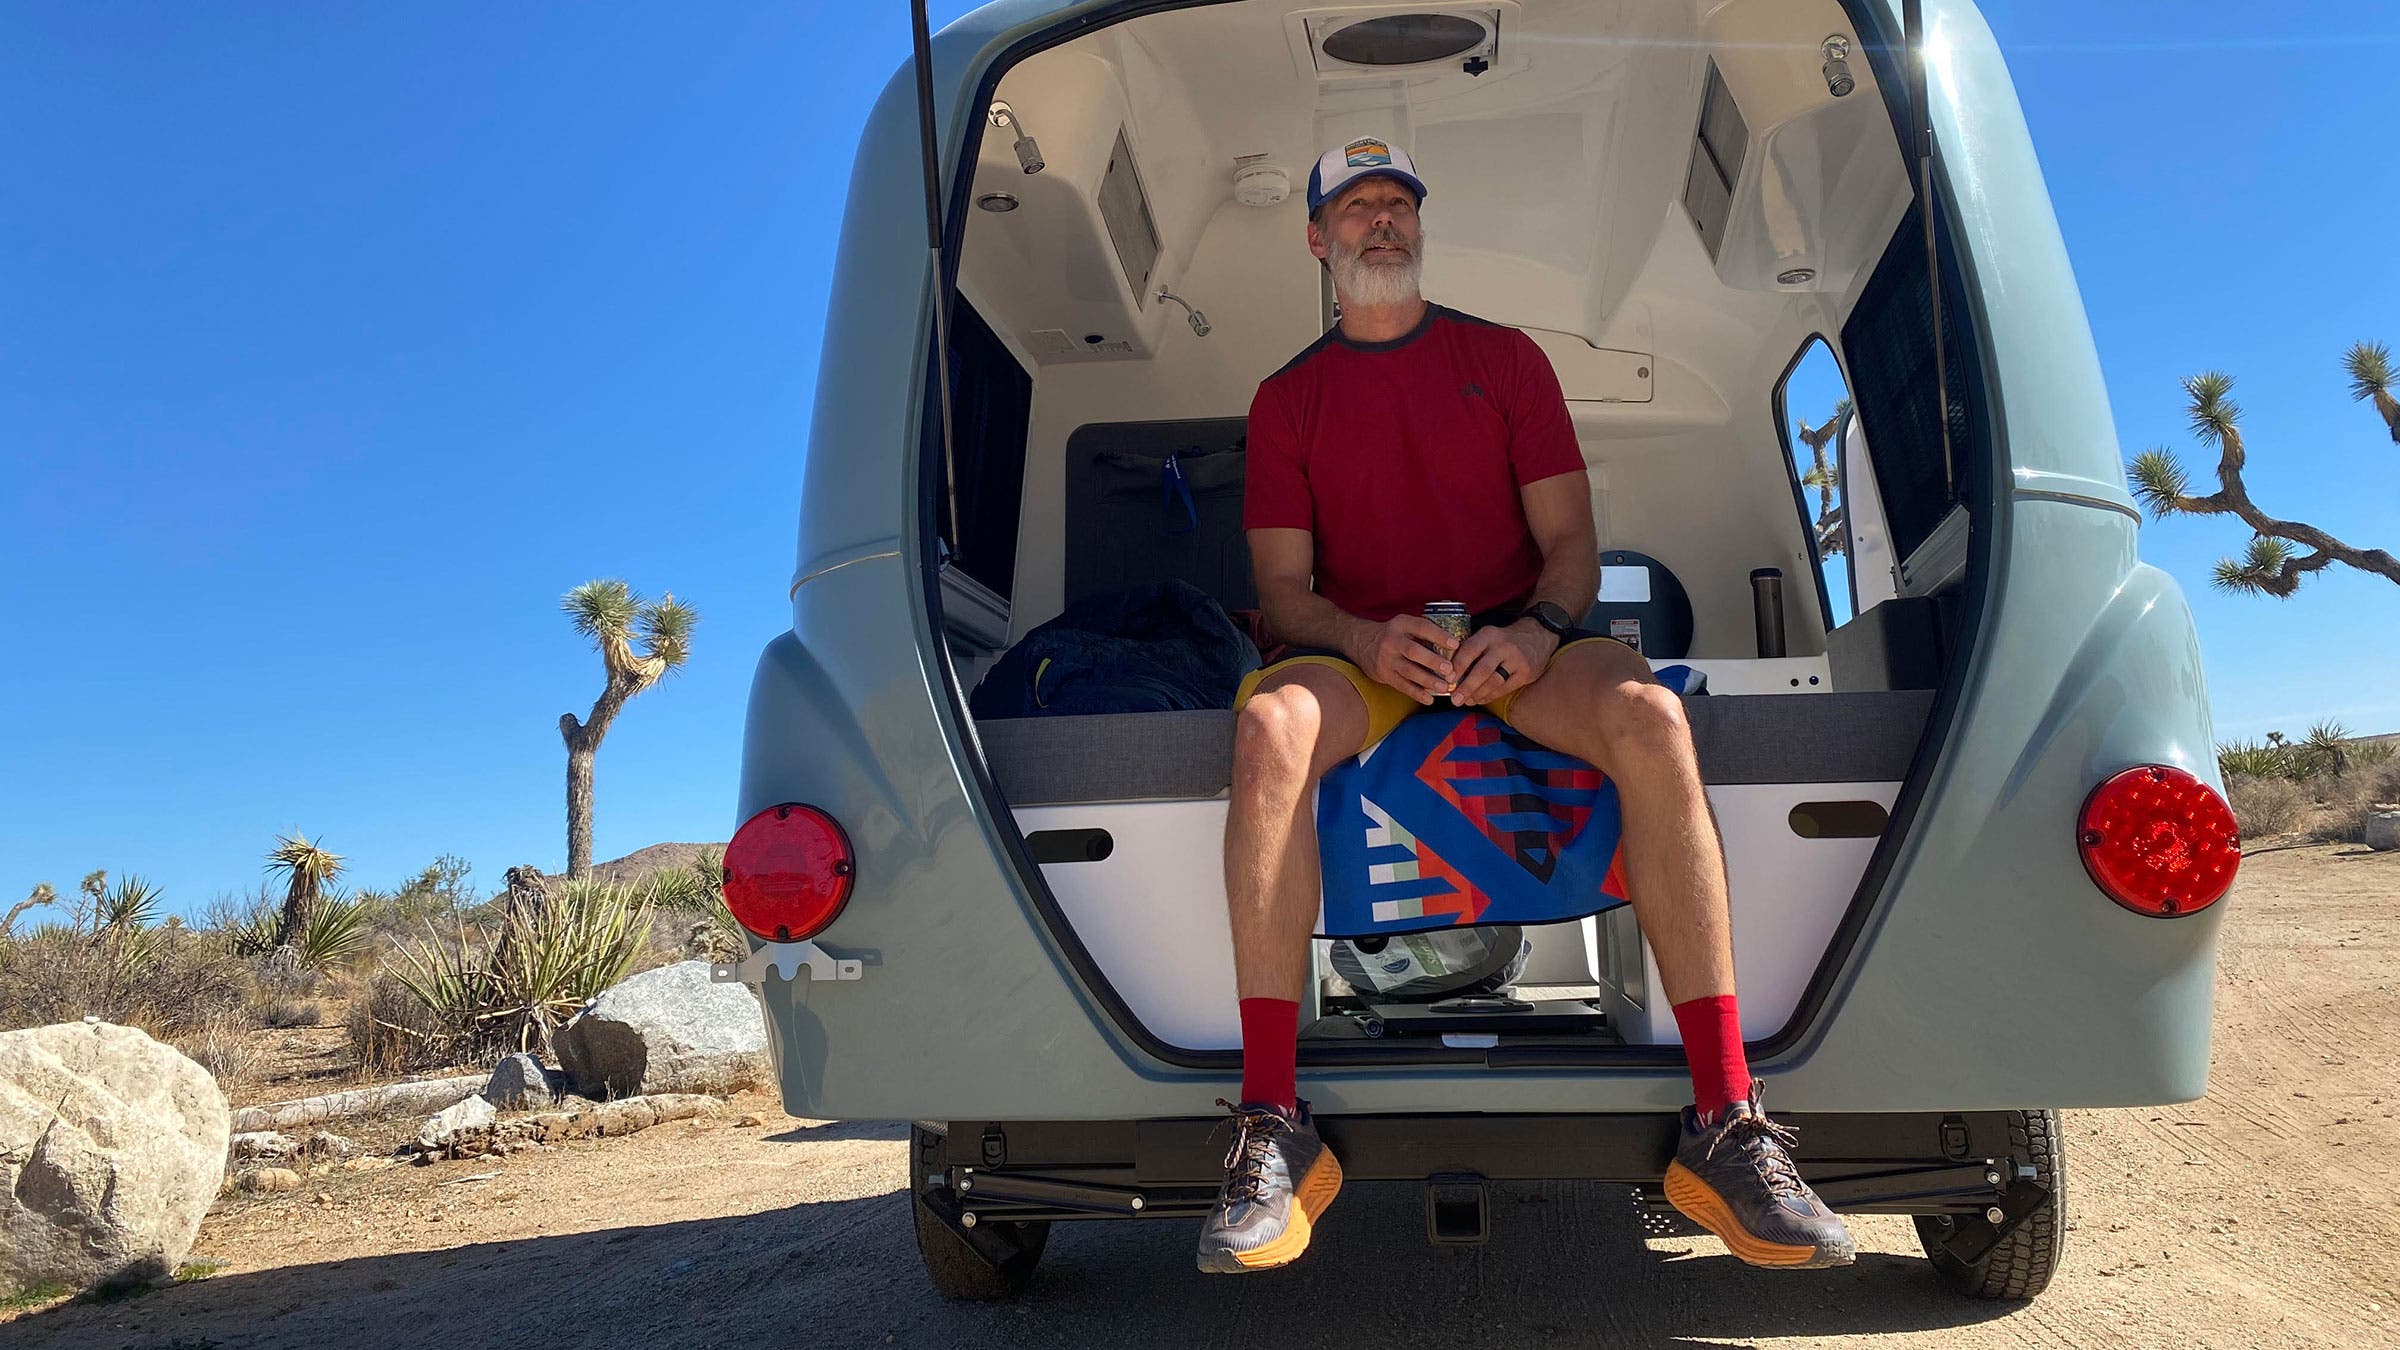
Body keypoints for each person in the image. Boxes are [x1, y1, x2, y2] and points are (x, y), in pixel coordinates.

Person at [1194, 137, 1856, 1275]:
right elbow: (1281, 596)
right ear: (1317, 239)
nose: (1381, 223)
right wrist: (1365, 638)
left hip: (1519, 644)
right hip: (1366, 659)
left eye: (1398, 202)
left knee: (1652, 715)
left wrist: (1534, 632)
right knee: (1267, 726)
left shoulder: (1502, 362)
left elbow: (1570, 549)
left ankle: (1728, 1120)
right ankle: (1272, 1125)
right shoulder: (1285, 399)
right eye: (1355, 207)